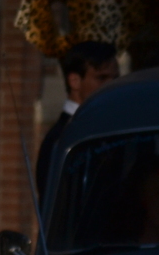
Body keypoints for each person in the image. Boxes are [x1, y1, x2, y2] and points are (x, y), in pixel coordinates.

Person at [36, 41, 119, 199]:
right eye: (101, 78)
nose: (111, 86)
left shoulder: (110, 128)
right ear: (74, 81)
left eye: (115, 78)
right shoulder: (62, 138)